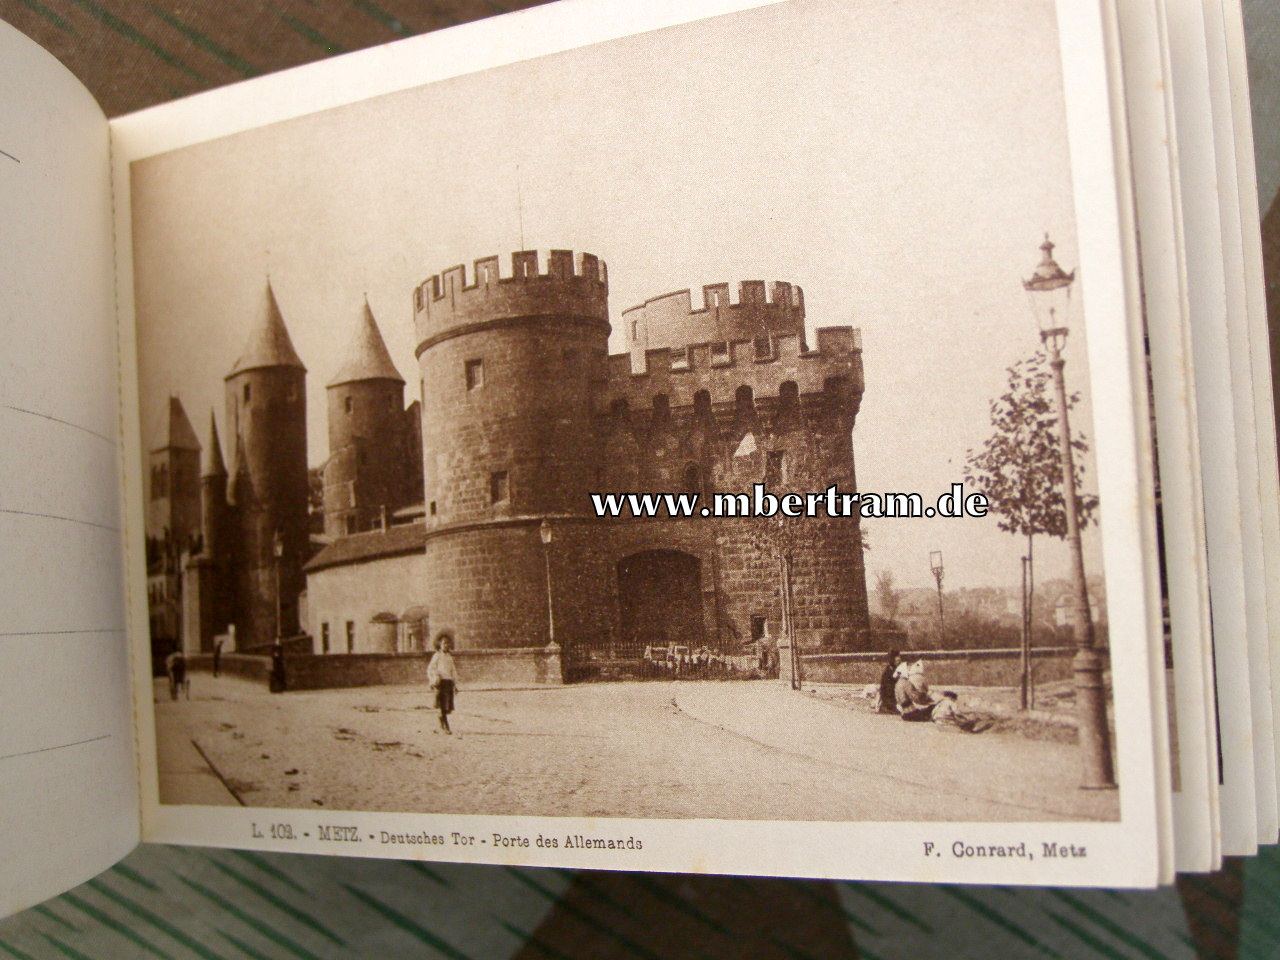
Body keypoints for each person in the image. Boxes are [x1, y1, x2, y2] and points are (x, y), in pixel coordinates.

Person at [427, 635, 458, 734]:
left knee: (447, 707)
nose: (446, 645)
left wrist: (455, 685)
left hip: (448, 682)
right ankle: (446, 727)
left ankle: (440, 724)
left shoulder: (449, 657)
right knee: (442, 706)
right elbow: (430, 669)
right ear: (440, 644)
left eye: (448, 643)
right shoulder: (437, 655)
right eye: (444, 643)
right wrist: (434, 678)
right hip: (441, 683)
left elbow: (453, 671)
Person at [875, 649, 900, 714]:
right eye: (897, 660)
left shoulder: (895, 670)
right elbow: (888, 689)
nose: (899, 662)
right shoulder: (888, 672)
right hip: (889, 698)